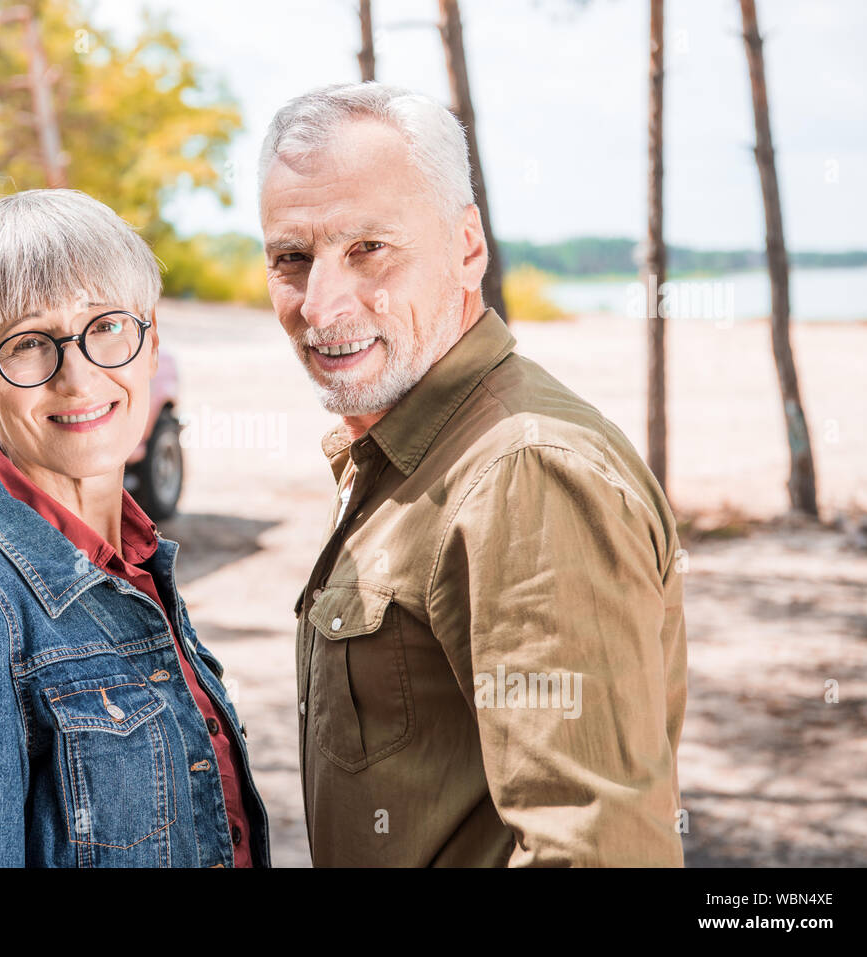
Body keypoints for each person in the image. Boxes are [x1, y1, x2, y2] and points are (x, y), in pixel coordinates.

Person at [258, 81, 687, 866]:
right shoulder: (403, 444)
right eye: (292, 258)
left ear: (467, 248)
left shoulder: (523, 473)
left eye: (368, 249)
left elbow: (597, 850)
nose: (321, 305)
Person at [0, 189, 269, 867]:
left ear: (151, 342)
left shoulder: (136, 567)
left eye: (107, 326)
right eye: (28, 344)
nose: (80, 378)